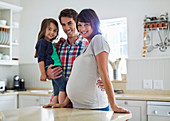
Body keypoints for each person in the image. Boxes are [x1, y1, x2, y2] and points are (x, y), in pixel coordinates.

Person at [44, 9, 130, 113]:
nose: (82, 28)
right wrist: (48, 73)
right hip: (71, 103)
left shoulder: (96, 40)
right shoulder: (60, 46)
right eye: (80, 25)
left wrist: (114, 106)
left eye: (86, 24)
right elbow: (75, 77)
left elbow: (103, 73)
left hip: (92, 105)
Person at [35, 18, 67, 104]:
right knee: (63, 87)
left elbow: (52, 50)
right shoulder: (42, 42)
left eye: (55, 30)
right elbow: (40, 59)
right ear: (43, 29)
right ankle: (61, 107)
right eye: (49, 29)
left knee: (56, 90)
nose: (52, 32)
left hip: (53, 67)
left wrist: (60, 41)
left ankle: (55, 106)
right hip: (54, 67)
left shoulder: (49, 43)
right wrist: (43, 73)